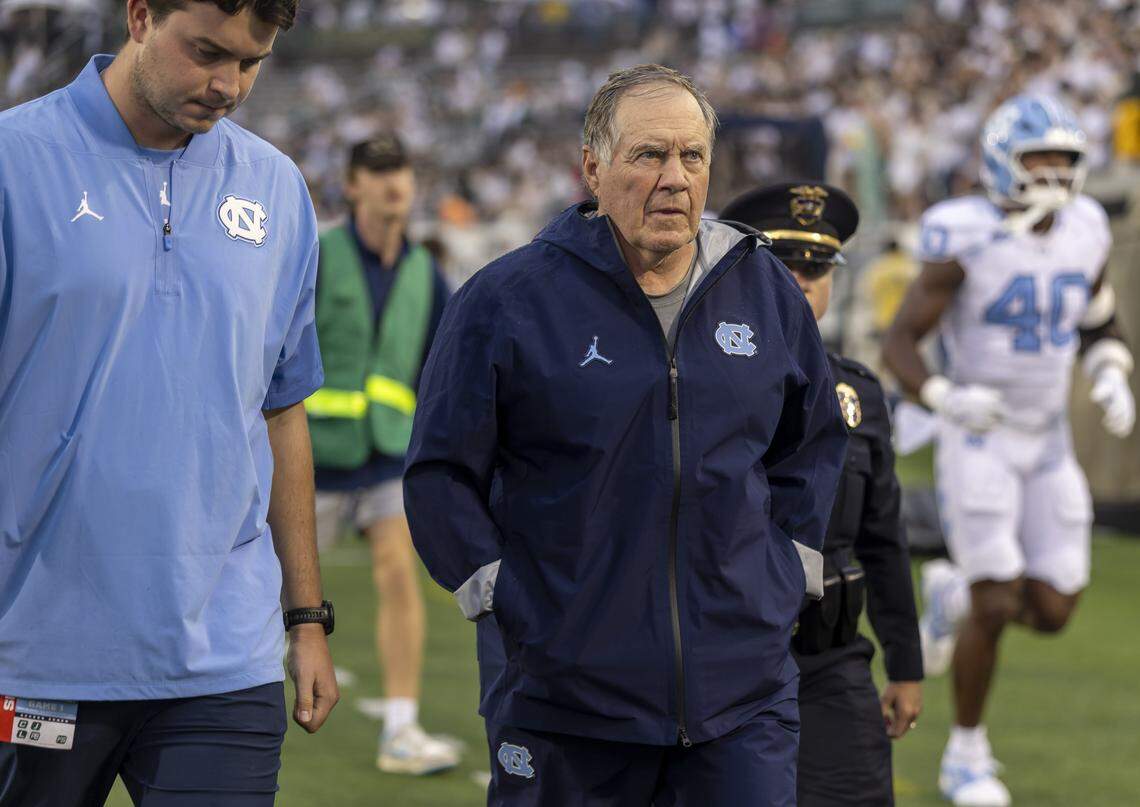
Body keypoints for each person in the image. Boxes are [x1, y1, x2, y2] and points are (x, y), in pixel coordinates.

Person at [405, 64, 848, 806]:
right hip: (565, 702)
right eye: (648, 155)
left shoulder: (765, 287)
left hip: (741, 697)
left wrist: (784, 571)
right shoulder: (508, 299)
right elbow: (441, 470)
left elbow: (812, 442)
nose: (674, 178)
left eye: (692, 156)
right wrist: (503, 593)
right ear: (593, 167)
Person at [0, 1, 340, 804]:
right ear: (141, 15)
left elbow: (280, 410)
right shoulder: (14, 162)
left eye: (251, 63)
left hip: (224, 663)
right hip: (35, 652)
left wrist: (306, 619)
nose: (226, 84)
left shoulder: (278, 190)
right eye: (206, 52)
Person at [883, 94, 1134, 807]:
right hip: (979, 435)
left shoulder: (1086, 227)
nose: (1054, 173)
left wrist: (1111, 366)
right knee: (997, 599)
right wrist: (943, 397)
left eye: (1065, 159)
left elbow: (1097, 317)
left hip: (1047, 438)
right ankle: (966, 754)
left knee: (1055, 606)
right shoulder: (965, 234)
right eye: (1039, 159)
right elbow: (901, 340)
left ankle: (950, 592)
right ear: (1002, 162)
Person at [720, 182, 924, 807]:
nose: (804, 280)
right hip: (726, 664)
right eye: (784, 263)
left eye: (817, 267)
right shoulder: (699, 378)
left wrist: (907, 664)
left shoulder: (859, 396)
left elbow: (883, 538)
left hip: (832, 662)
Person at [304, 134, 457, 775]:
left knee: (400, 577)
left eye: (402, 171)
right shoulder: (315, 255)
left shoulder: (428, 274)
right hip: (309, 461)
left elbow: (442, 370)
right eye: (379, 171)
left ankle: (400, 729)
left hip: (388, 459)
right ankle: (232, 708)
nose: (395, 183)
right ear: (353, 184)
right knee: (263, 594)